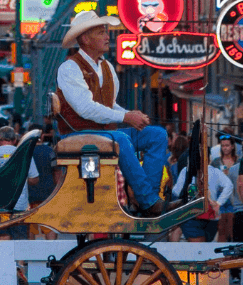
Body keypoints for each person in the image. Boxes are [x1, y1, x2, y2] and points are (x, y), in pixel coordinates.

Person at [51, 11, 172, 215]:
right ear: (85, 39)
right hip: (77, 135)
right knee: (120, 139)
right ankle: (148, 201)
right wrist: (126, 117)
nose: (107, 37)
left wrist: (131, 115)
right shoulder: (69, 68)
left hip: (105, 133)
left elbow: (110, 104)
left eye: (105, 31)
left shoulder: (106, 66)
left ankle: (149, 198)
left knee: (157, 135)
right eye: (101, 32)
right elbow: (86, 108)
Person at [172, 153, 232, 242]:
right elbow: (229, 185)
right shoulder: (215, 171)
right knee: (204, 248)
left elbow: (176, 191)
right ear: (209, 159)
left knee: (197, 249)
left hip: (191, 215)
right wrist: (219, 203)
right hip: (210, 216)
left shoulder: (186, 171)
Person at [213, 134, 242, 241]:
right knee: (221, 229)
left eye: (227, 145)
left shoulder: (239, 161)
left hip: (235, 197)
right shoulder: (216, 161)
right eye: (223, 145)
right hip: (220, 198)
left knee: (232, 228)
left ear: (233, 146)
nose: (225, 148)